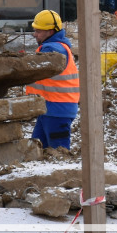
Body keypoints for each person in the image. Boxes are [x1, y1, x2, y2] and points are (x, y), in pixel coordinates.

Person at [26, 10, 80, 150]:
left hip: (57, 110)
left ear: (50, 32)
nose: (34, 34)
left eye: (38, 31)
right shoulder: (56, 46)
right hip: (49, 109)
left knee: (59, 152)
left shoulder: (53, 49)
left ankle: (67, 172)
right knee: (38, 150)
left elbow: (35, 67)